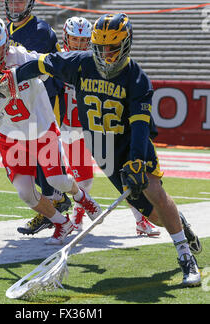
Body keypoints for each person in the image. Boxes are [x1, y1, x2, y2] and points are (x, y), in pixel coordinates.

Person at [4, 13, 202, 286]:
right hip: (101, 148)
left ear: (126, 45)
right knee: (152, 214)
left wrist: (135, 162)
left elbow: (141, 126)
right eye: (100, 47)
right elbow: (41, 64)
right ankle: (181, 222)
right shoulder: (81, 63)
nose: (105, 54)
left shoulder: (136, 78)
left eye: (112, 48)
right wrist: (9, 79)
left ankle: (185, 256)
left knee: (153, 190)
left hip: (131, 142)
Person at [0, 16, 103, 246]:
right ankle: (62, 223)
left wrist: (18, 77)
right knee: (25, 193)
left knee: (58, 180)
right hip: (11, 136)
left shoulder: (21, 56)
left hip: (39, 127)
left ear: (6, 42)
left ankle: (82, 197)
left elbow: (47, 67)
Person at [61, 16, 160, 236]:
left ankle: (140, 219)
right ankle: (71, 218)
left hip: (102, 129)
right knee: (82, 178)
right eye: (74, 39)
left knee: (125, 177)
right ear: (65, 38)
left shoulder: (97, 63)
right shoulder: (67, 62)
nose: (78, 44)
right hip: (71, 128)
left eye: (83, 40)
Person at [3, 0, 71, 236]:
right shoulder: (7, 30)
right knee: (30, 157)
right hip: (25, 101)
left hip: (45, 98)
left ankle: (57, 205)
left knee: (45, 154)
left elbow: (32, 70)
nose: (14, 6)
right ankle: (55, 206)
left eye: (19, 1)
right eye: (11, 1)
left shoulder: (39, 31)